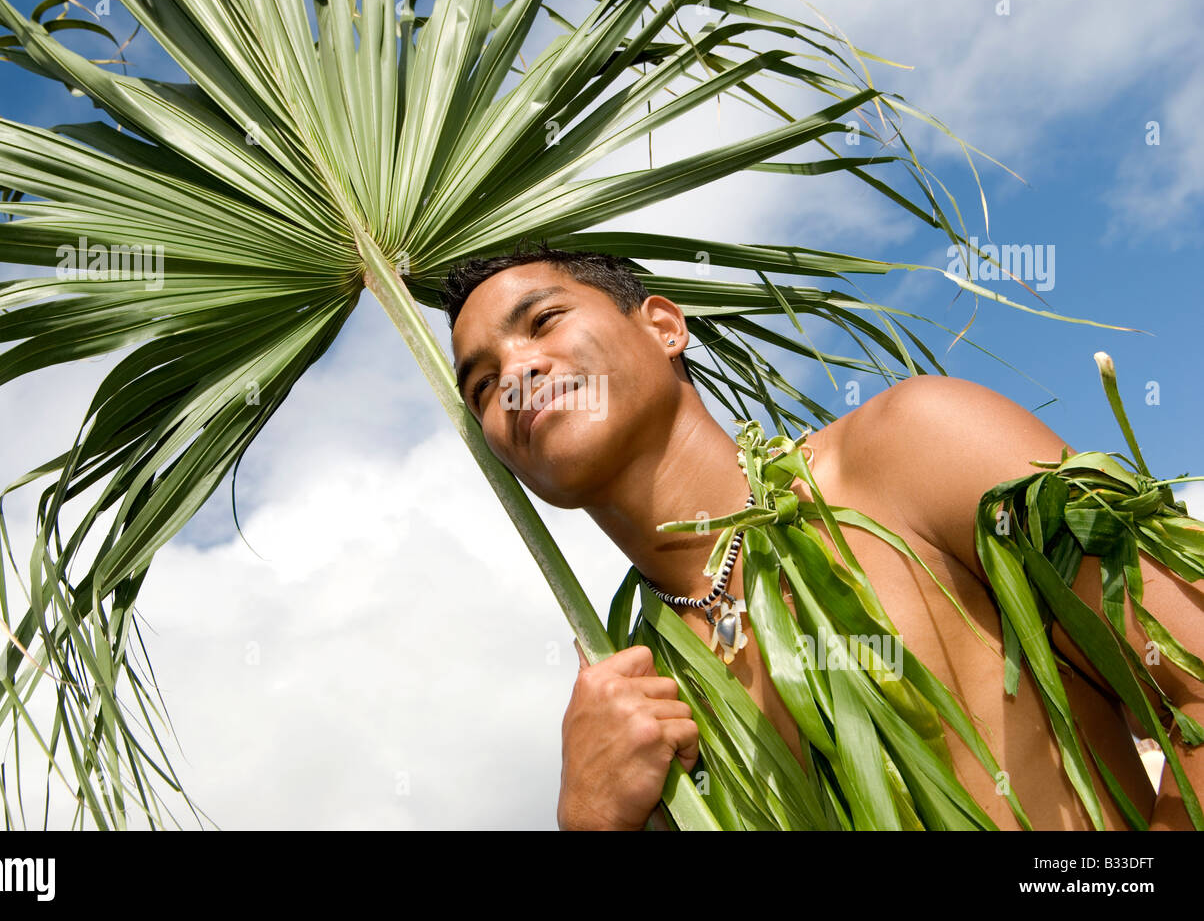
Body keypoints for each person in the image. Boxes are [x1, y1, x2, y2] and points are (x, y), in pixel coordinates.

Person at [441, 246, 1204, 831]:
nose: (516, 373)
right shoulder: (636, 696)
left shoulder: (911, 447)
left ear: (664, 325)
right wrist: (591, 820)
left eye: (543, 322)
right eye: (481, 387)